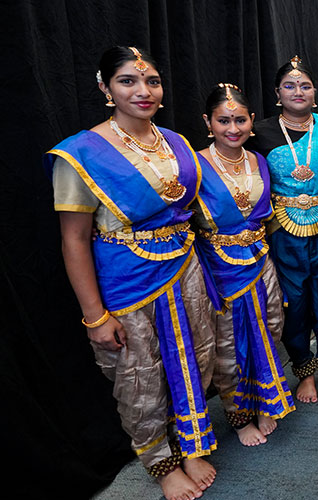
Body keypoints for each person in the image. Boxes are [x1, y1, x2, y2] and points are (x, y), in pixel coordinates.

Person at [47, 46, 217, 500]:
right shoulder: (82, 154)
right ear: (105, 88)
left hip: (185, 267)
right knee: (140, 374)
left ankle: (192, 441)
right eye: (127, 81)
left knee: (196, 357)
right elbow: (74, 240)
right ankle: (161, 463)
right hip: (127, 278)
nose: (143, 91)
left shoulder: (177, 142)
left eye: (152, 82)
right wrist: (95, 317)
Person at [246, 56, 318, 403]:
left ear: (314, 92)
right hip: (284, 230)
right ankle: (303, 369)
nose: (298, 91)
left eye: (305, 85)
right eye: (290, 86)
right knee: (293, 301)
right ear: (277, 92)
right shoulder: (259, 132)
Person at [194, 84, 295, 447]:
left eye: (240, 120)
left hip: (259, 261)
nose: (232, 128)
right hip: (220, 269)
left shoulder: (259, 161)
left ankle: (267, 399)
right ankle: (238, 418)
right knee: (229, 343)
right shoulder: (194, 166)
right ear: (209, 122)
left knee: (269, 327)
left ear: (252, 121)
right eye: (224, 121)